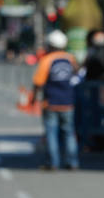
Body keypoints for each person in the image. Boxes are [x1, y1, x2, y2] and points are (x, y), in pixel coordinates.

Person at [32, 30, 79, 170]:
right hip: (68, 102)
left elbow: (38, 82)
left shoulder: (47, 60)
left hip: (51, 102)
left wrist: (34, 98)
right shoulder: (70, 58)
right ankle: (72, 162)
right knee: (69, 133)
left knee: (51, 133)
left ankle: (53, 162)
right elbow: (77, 73)